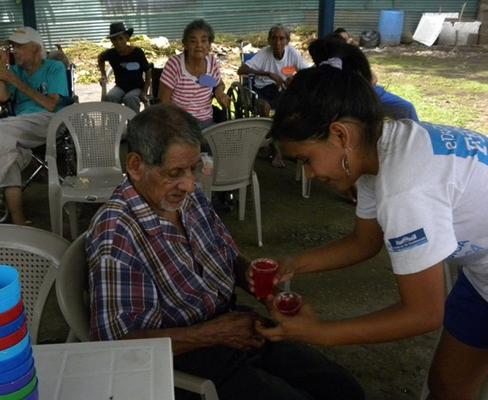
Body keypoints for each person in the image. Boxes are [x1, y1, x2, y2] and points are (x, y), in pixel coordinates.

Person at [252, 51, 488, 399]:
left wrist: (318, 333)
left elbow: (424, 313)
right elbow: (364, 241)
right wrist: (296, 264)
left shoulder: (405, 187)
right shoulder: (383, 147)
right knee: (448, 383)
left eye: (306, 160)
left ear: (340, 135)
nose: (309, 174)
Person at [86, 104, 365, 400]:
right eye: (175, 172)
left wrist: (258, 281)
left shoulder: (183, 198)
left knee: (343, 389)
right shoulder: (117, 233)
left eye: (194, 168)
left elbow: (228, 258)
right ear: (136, 166)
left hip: (232, 326)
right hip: (185, 356)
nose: (191, 184)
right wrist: (211, 334)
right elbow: (118, 342)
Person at [0, 26, 68, 225]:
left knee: (0, 128)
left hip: (50, 121)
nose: (14, 51)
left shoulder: (54, 67)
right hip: (20, 129)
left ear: (35, 49)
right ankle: (19, 220)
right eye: (12, 47)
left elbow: (51, 104)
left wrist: (17, 83)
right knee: (8, 155)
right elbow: (1, 96)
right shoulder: (16, 70)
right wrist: (3, 62)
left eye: (19, 47)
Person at [237, 24, 310, 167]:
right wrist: (267, 73)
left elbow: (307, 71)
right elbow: (241, 70)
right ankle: (275, 150)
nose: (278, 42)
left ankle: (291, 145)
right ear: (269, 40)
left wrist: (293, 78)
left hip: (281, 90)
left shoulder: (292, 53)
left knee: (295, 109)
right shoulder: (264, 53)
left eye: (282, 38)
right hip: (262, 89)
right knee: (265, 107)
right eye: (274, 38)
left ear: (287, 41)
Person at [326, 31, 419, 122]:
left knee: (406, 108)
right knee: (406, 108)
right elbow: (373, 79)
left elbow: (373, 78)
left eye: (347, 38)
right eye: (344, 39)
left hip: (368, 92)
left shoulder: (352, 57)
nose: (349, 41)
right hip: (362, 95)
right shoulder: (336, 63)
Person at [158, 19, 230, 129]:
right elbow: (164, 101)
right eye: (193, 41)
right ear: (185, 45)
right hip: (180, 123)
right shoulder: (175, 64)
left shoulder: (212, 62)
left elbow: (219, 84)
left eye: (204, 40)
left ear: (209, 45)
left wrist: (219, 93)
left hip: (207, 121)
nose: (199, 45)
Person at [98, 22, 150, 113]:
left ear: (126, 38)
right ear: (111, 41)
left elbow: (148, 71)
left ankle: (133, 126)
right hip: (120, 86)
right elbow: (100, 58)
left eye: (120, 38)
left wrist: (144, 91)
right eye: (114, 40)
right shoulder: (111, 53)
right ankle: (115, 126)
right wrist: (103, 74)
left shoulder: (137, 52)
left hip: (136, 87)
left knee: (130, 98)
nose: (118, 42)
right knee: (110, 97)